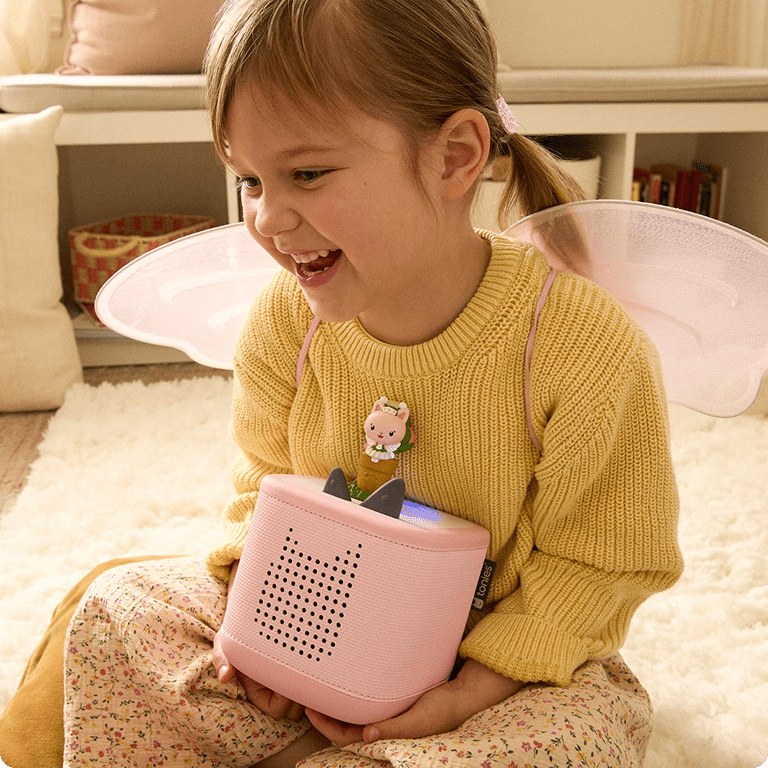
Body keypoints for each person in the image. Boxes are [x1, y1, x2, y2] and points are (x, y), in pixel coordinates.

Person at [2, 1, 684, 766]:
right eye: (251, 179)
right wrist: (265, 626)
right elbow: (260, 482)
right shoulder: (285, 321)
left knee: (580, 737)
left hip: (500, 666)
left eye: (307, 174)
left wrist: (472, 687)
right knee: (114, 614)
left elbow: (601, 560)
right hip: (313, 619)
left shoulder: (580, 346)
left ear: (456, 156)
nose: (268, 216)